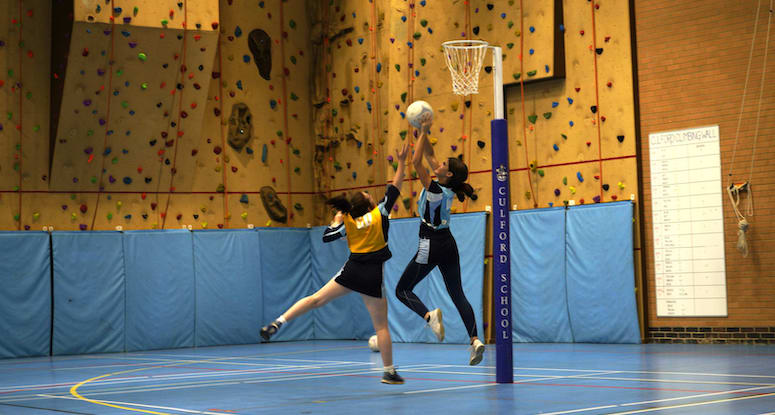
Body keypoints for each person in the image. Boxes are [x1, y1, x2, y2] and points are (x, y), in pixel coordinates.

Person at [260, 143, 410, 385]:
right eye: (367, 195)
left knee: (316, 299)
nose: (370, 195)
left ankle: (280, 321)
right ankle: (389, 371)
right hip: (372, 276)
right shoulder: (380, 212)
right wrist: (401, 161)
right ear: (368, 203)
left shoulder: (348, 221)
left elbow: (327, 237)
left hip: (352, 270)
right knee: (381, 326)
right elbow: (396, 186)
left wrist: (334, 221)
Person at [395, 113, 485, 366]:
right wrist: (425, 129)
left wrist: (421, 131)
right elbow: (430, 154)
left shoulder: (434, 188)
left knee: (402, 289)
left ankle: (429, 316)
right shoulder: (447, 185)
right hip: (448, 243)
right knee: (457, 293)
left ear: (446, 174)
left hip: (429, 243)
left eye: (443, 163)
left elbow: (416, 160)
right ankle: (475, 339)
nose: (439, 162)